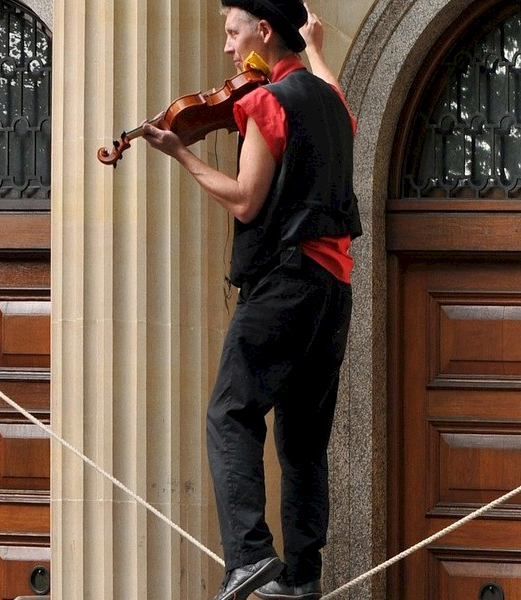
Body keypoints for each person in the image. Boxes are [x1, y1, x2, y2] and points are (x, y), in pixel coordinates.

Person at [140, 1, 359, 599]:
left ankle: (249, 557)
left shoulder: (264, 102)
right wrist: (314, 43)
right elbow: (330, 88)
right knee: (303, 444)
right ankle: (303, 578)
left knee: (230, 412)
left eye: (234, 35)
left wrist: (180, 153)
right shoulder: (332, 104)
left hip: (283, 285)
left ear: (264, 31)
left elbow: (245, 200)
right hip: (334, 289)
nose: (228, 50)